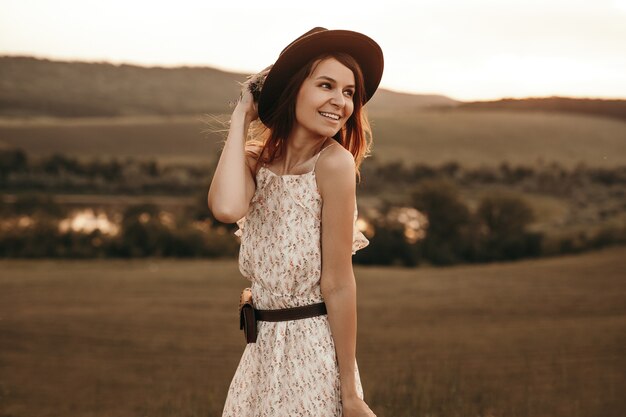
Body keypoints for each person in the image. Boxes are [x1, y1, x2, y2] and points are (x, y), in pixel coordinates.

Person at [208, 27, 384, 417]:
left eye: (349, 92)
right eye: (326, 85)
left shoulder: (333, 164)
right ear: (294, 89)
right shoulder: (256, 160)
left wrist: (350, 394)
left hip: (312, 353)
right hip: (260, 354)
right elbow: (225, 208)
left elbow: (338, 284)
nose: (340, 102)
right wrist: (241, 115)